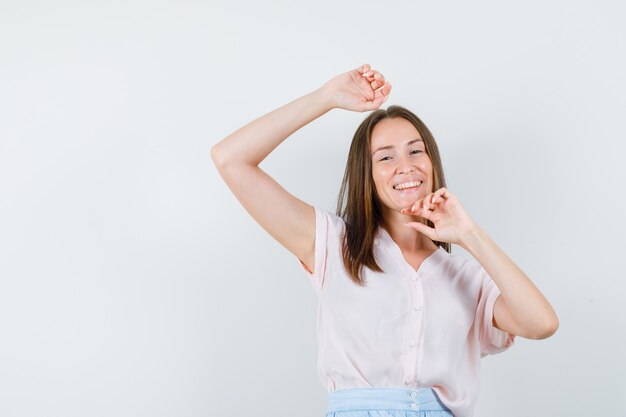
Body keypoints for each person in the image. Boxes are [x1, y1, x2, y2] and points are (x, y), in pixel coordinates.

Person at [211, 64, 559, 417]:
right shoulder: (334, 244)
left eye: (416, 151)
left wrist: (470, 235)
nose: (405, 166)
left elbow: (541, 324)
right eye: (386, 157)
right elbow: (230, 159)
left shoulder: (466, 279)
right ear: (368, 173)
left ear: (432, 162)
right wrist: (325, 98)